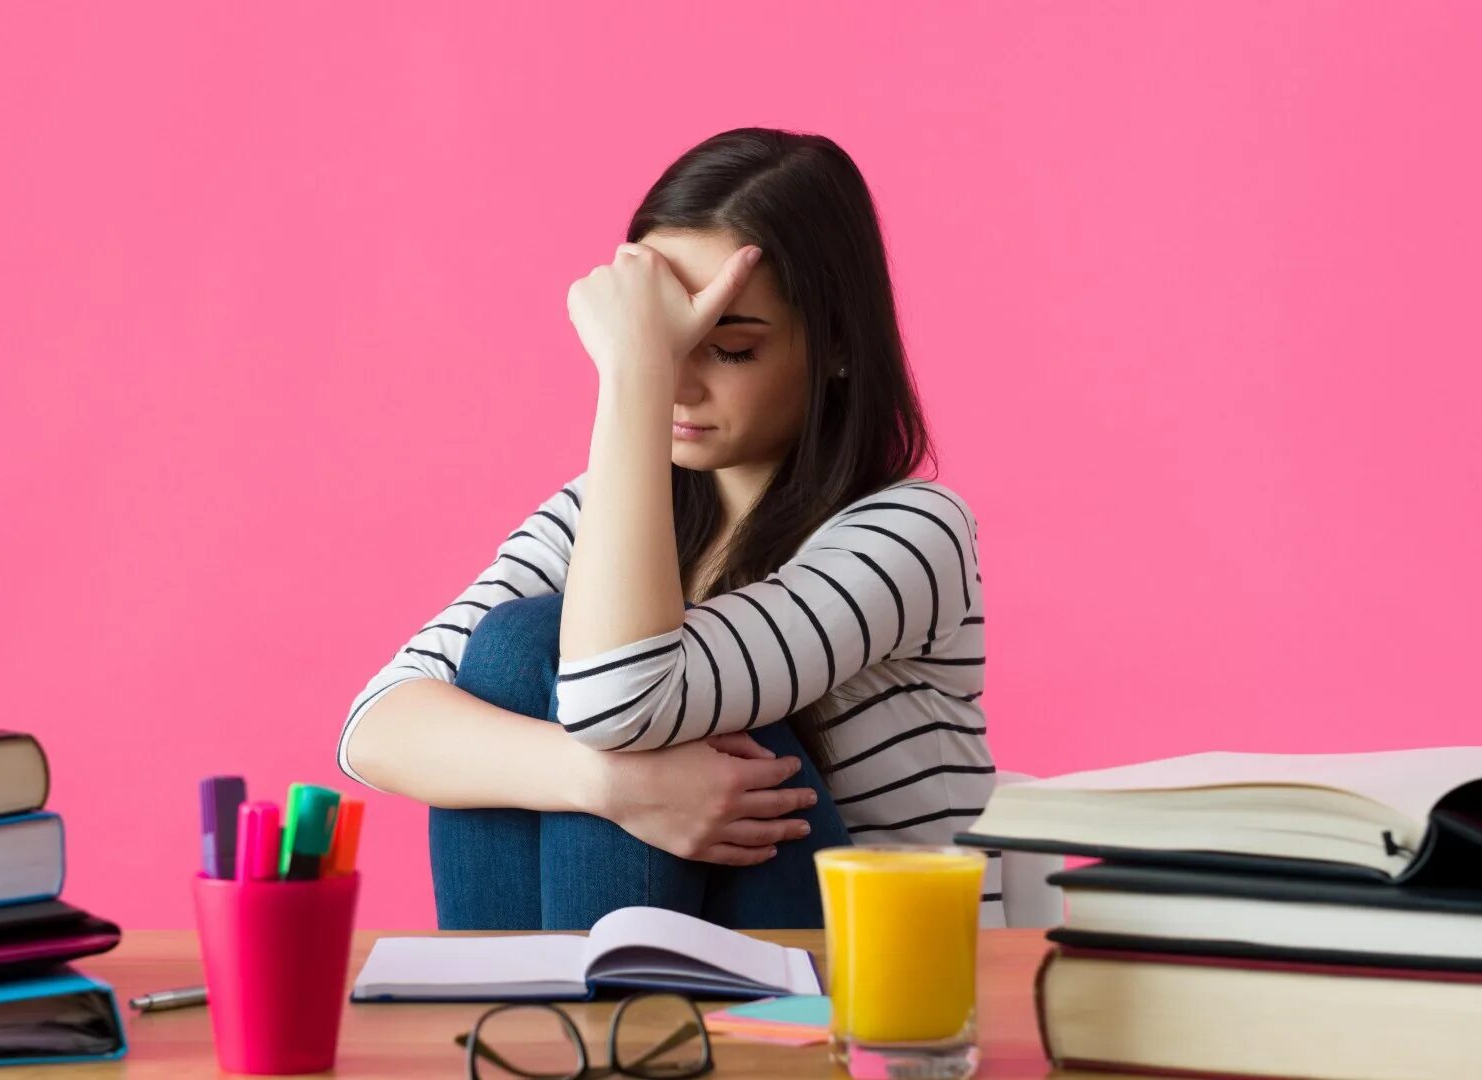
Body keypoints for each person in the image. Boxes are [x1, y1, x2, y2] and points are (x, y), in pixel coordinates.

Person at [337, 127, 995, 931]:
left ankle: (588, 1038)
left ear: (837, 346)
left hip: (874, 968)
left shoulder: (913, 532)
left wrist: (634, 373)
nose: (680, 383)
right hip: (703, 939)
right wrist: (609, 786)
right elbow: (378, 724)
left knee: (556, 643)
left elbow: (620, 700)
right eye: (661, 343)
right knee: (515, 646)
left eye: (727, 346)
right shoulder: (602, 509)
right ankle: (534, 1034)